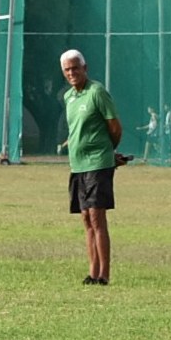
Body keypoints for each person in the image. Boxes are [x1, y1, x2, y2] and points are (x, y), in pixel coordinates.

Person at [59, 48, 122, 286]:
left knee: (97, 216)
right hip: (77, 165)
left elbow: (114, 127)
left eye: (75, 68)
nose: (71, 73)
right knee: (85, 217)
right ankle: (92, 271)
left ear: (84, 68)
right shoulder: (68, 97)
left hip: (97, 163)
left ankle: (104, 274)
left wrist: (108, 152)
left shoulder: (97, 92)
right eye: (67, 70)